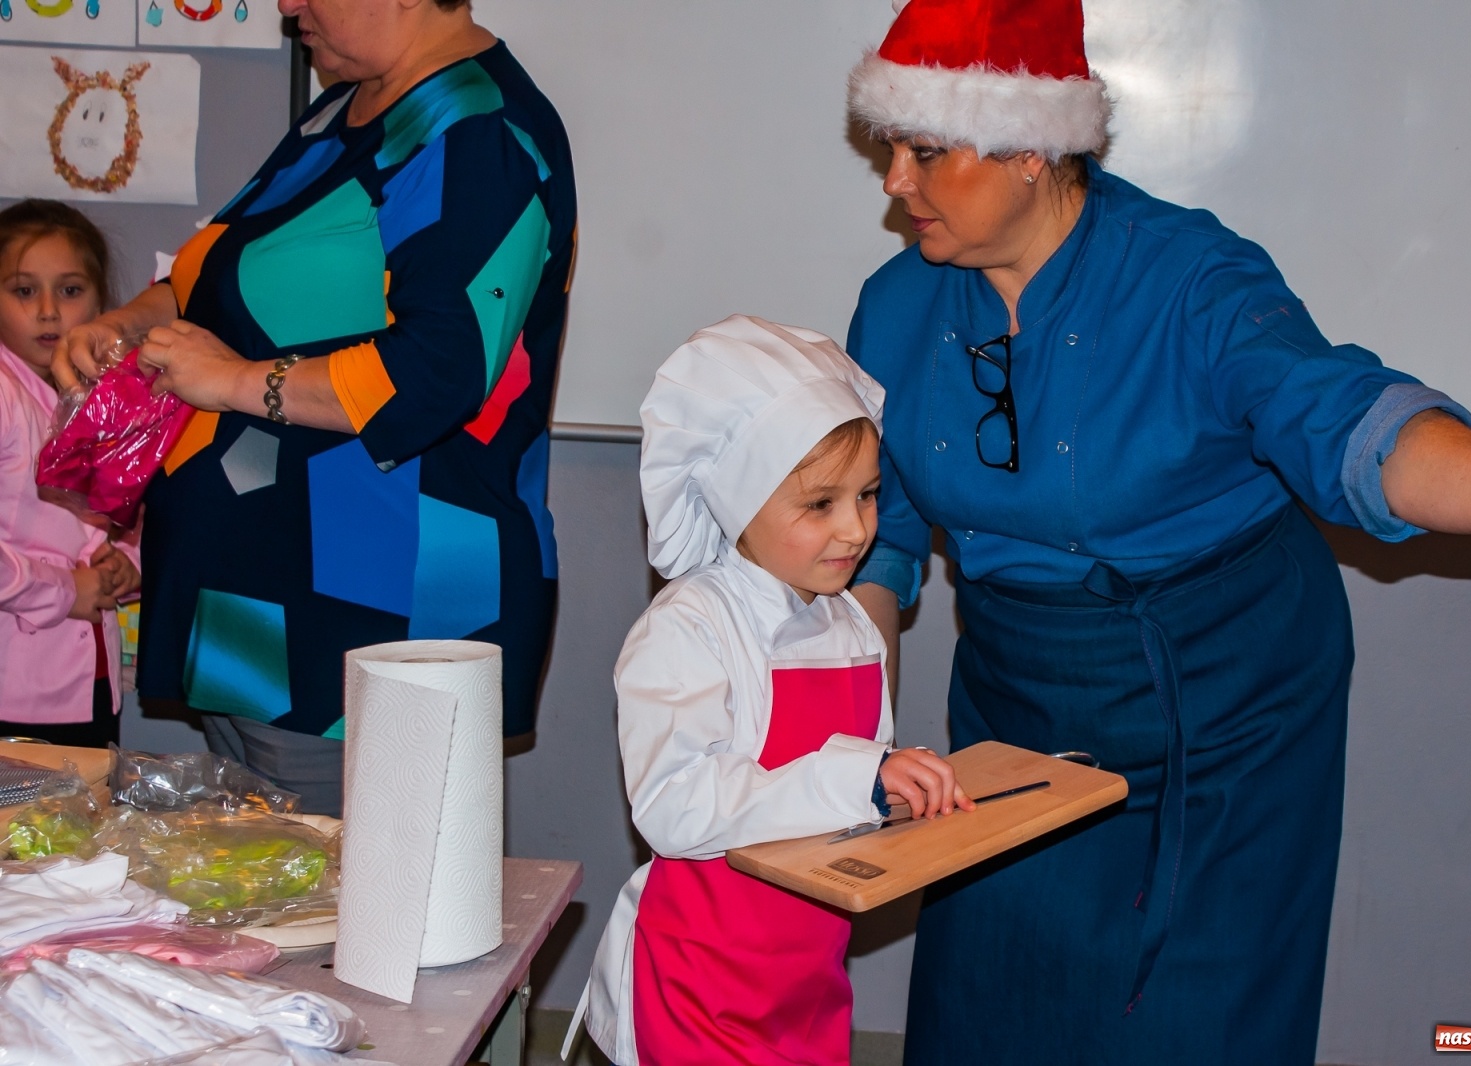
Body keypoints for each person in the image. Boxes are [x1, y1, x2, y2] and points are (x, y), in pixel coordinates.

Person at [841, 0, 1471, 1062]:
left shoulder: (1189, 280)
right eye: (889, 149)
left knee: (1198, 1020)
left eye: (923, 151)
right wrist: (840, 714)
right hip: (1020, 706)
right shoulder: (895, 308)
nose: (893, 183)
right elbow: (876, 533)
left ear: (1028, 151)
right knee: (992, 1005)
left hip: (1226, 702)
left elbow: (1343, 420)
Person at [53, 0, 577, 814]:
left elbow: (438, 371)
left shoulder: (478, 133)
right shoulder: (349, 103)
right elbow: (228, 277)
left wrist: (229, 382)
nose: (287, 4)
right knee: (265, 916)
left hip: (370, 622)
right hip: (261, 607)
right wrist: (126, 326)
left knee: (354, 922)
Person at [566, 315, 973, 1066]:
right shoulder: (690, 629)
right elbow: (674, 808)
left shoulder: (848, 623)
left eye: (868, 495)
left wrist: (899, 796)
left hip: (806, 980)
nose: (855, 529)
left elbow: (842, 799)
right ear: (737, 500)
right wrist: (856, 780)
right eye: (820, 504)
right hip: (698, 987)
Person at [0, 200, 139, 748]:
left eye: (71, 290)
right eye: (24, 290)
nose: (50, 312)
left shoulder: (101, 397)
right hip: (16, 692)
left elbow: (126, 505)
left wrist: (126, 561)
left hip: (91, 682)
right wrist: (62, 589)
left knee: (84, 830)